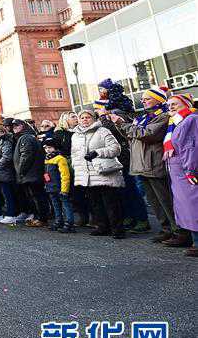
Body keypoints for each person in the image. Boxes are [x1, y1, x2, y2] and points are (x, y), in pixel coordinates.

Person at [110, 86, 189, 245]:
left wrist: (123, 124)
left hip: (155, 163)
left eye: (147, 98)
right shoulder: (144, 117)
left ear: (158, 100)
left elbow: (147, 134)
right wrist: (120, 125)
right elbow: (130, 135)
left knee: (166, 200)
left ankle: (179, 231)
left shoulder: (163, 116)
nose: (143, 101)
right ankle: (166, 229)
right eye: (143, 99)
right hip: (142, 164)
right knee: (155, 201)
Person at [95, 99, 150, 233]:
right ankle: (129, 217)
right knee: (120, 192)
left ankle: (142, 219)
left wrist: (103, 117)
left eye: (98, 107)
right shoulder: (101, 120)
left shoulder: (117, 113)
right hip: (112, 160)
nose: (96, 110)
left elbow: (117, 131)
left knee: (131, 190)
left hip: (124, 159)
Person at [71, 109, 125, 239]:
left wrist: (97, 152)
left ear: (94, 119)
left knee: (111, 202)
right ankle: (102, 226)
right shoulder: (75, 135)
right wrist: (76, 167)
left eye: (88, 117)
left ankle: (117, 229)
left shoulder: (103, 131)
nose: (84, 120)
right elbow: (74, 154)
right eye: (82, 117)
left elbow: (116, 149)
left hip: (104, 172)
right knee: (95, 202)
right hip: (86, 174)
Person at [162, 93, 198, 256]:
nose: (171, 107)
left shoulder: (190, 120)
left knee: (193, 207)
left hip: (186, 171)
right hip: (178, 171)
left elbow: (190, 147)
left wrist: (191, 170)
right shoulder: (176, 122)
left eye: (175, 104)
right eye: (169, 104)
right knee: (186, 207)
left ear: (186, 104)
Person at [11, 119, 49, 227]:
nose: (14, 127)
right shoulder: (27, 136)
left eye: (17, 125)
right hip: (32, 173)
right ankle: (39, 217)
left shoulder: (25, 137)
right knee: (36, 196)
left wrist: (20, 171)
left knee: (37, 197)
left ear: (23, 126)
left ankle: (41, 218)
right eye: (13, 126)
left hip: (30, 174)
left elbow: (26, 155)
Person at [43, 138, 73, 232]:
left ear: (55, 148)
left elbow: (65, 175)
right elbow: (46, 174)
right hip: (50, 187)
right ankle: (58, 221)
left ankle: (69, 223)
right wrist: (46, 184)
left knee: (65, 205)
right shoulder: (47, 159)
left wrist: (64, 189)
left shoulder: (60, 159)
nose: (47, 150)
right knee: (55, 205)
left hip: (60, 187)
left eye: (50, 147)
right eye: (46, 147)